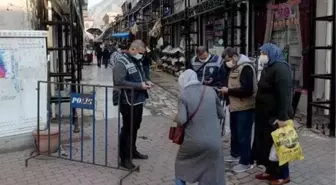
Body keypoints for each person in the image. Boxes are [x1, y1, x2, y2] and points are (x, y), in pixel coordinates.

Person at [174, 69, 225, 185]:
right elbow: (221, 114)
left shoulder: (184, 95)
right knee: (210, 171)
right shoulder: (211, 91)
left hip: (192, 142)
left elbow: (181, 120)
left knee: (180, 166)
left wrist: (175, 117)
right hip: (214, 142)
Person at [252, 43, 293, 185]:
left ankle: (283, 176)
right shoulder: (269, 66)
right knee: (267, 145)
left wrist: (282, 118)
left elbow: (285, 96)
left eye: (264, 53)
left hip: (276, 117)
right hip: (265, 116)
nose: (261, 56)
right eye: (261, 53)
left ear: (271, 53)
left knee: (280, 146)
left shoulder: (281, 69)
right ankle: (269, 171)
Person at [112, 40, 152, 169]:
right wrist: (139, 86)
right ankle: (124, 158)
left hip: (138, 99)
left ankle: (133, 151)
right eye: (141, 53)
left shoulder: (136, 60)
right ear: (133, 49)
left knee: (135, 127)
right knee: (127, 129)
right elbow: (119, 81)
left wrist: (146, 81)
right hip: (127, 101)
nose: (142, 55)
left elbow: (140, 76)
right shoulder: (121, 62)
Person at [220, 47, 257, 173]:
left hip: (245, 107)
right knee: (235, 133)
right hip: (235, 106)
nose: (227, 63)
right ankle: (235, 154)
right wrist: (229, 101)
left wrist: (228, 91)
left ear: (234, 56)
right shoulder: (234, 68)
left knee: (243, 135)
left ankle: (245, 161)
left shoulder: (246, 68)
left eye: (228, 60)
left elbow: (248, 90)